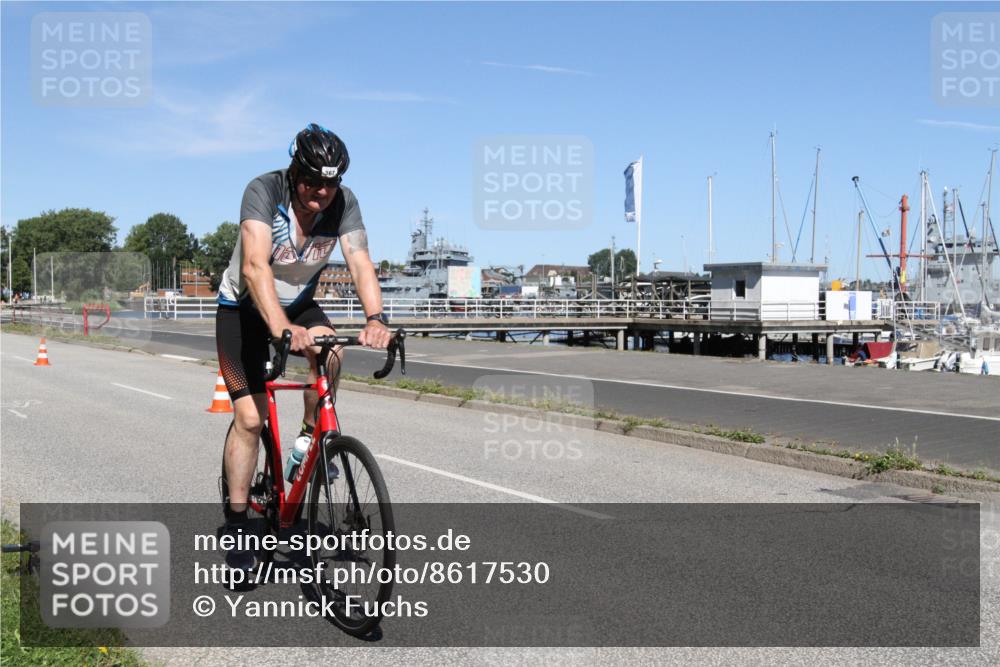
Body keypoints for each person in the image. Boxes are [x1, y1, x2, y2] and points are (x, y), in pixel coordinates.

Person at [216, 123, 391, 572]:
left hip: (299, 304)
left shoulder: (344, 204)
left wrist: (376, 319)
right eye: (312, 182)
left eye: (330, 183)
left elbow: (360, 261)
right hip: (243, 309)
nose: (321, 193)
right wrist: (282, 328)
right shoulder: (264, 190)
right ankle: (237, 525)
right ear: (295, 173)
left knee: (333, 353)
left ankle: (309, 441)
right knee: (250, 419)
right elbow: (255, 267)